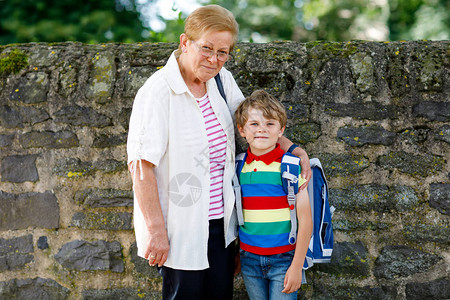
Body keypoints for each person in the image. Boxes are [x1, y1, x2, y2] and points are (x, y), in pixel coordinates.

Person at [126, 5, 311, 300]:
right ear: (185, 42)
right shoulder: (158, 91)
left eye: (223, 52)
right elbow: (141, 166)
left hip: (222, 227)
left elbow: (253, 124)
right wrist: (156, 232)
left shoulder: (222, 82)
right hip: (180, 229)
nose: (214, 60)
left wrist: (293, 149)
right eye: (207, 48)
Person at [235, 90, 313, 300]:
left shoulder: (291, 167)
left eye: (270, 124)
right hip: (248, 258)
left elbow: (305, 221)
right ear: (242, 130)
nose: (262, 130)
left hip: (284, 259)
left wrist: (297, 266)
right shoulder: (238, 166)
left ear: (281, 130)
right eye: (254, 124)